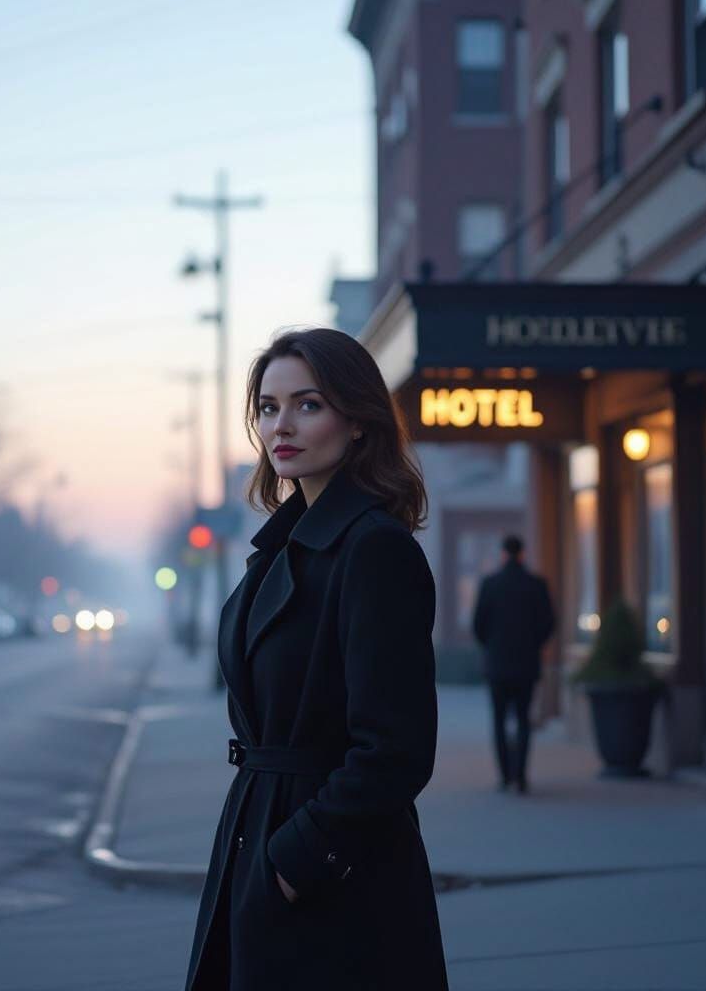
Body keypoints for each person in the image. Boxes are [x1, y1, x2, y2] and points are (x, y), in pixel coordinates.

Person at [185, 328, 448, 991]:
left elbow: (395, 749)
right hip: (260, 832)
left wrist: (297, 862)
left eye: (308, 404)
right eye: (269, 408)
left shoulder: (374, 550)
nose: (283, 426)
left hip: (334, 869)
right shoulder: (275, 550)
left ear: (357, 422)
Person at [472, 535, 555, 795]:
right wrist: (533, 645)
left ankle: (504, 776)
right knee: (522, 719)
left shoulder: (490, 584)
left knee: (498, 720)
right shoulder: (537, 585)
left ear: (503, 554)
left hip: (497, 665)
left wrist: (491, 646)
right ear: (523, 554)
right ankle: (520, 776)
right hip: (526, 665)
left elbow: (478, 625)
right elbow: (548, 623)